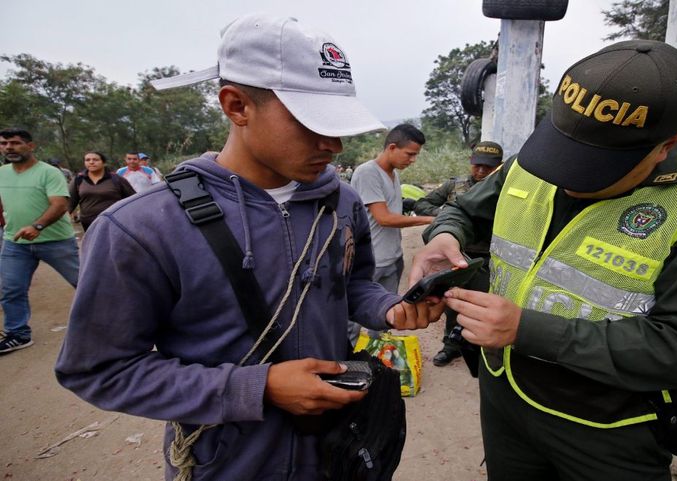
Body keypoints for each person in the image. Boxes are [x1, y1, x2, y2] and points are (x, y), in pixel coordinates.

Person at [54, 14, 442, 481]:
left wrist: (391, 308)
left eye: (339, 126)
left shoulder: (341, 202)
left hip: (336, 450)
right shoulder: (141, 227)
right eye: (312, 123)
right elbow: (99, 368)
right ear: (237, 105)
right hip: (227, 463)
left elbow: (353, 283)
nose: (333, 145)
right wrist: (251, 388)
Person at [410, 40, 677, 480]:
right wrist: (444, 235)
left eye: (597, 164)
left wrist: (527, 329)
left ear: (667, 145)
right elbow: (464, 210)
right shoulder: (533, 161)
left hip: (607, 426)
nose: (566, 175)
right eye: (565, 149)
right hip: (504, 398)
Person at [413, 141, 503, 367]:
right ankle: (451, 346)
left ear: (499, 166)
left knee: (483, 305)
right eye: (478, 165)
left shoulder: (503, 189)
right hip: (457, 255)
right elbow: (423, 204)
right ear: (471, 162)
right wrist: (446, 216)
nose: (481, 171)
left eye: (488, 167)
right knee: (452, 301)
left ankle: (481, 350)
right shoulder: (455, 185)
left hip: (489, 258)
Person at [348, 124, 435, 343]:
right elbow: (384, 218)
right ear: (392, 147)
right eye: (410, 154)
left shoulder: (393, 174)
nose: (413, 160)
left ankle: (378, 360)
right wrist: (428, 219)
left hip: (392, 257)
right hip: (372, 260)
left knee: (385, 316)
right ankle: (346, 366)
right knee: (352, 322)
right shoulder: (368, 172)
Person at [0, 128, 79, 353]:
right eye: (4, 144)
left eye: (14, 143)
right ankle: (18, 334)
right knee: (11, 289)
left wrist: (37, 226)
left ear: (30, 146)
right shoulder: (2, 172)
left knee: (84, 282)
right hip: (15, 243)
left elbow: (60, 204)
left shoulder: (49, 173)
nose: (8, 148)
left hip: (56, 241)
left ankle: (113, 322)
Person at [67, 151, 135, 231]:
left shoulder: (116, 179)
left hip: (114, 221)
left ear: (103, 162)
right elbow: (70, 203)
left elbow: (132, 200)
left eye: (95, 160)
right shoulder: (78, 180)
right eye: (88, 160)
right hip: (89, 223)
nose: (91, 162)